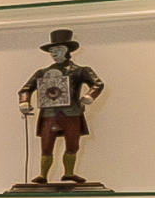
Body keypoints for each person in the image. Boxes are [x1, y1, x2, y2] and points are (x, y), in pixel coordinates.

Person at [15, 29, 107, 188]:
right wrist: (24, 102)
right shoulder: (42, 73)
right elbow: (25, 89)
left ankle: (69, 173)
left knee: (72, 144)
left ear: (67, 50)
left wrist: (89, 96)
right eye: (52, 51)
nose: (54, 54)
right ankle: (43, 175)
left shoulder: (80, 70)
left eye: (58, 50)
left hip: (71, 113)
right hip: (49, 114)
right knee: (46, 145)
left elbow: (97, 84)